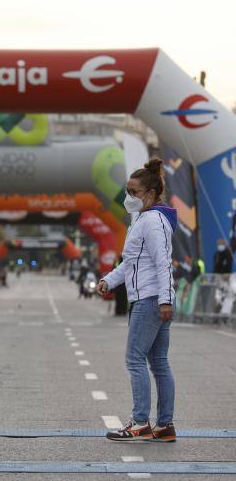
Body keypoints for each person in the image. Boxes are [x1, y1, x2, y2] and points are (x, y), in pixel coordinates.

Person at [97, 157, 178, 443]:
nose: (128, 197)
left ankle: (141, 421)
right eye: (127, 191)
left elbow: (162, 263)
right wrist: (109, 280)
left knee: (135, 360)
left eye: (133, 192)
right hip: (151, 297)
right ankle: (164, 425)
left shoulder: (153, 221)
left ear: (151, 193)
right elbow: (130, 264)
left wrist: (165, 300)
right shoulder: (141, 220)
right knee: (159, 363)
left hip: (151, 299)